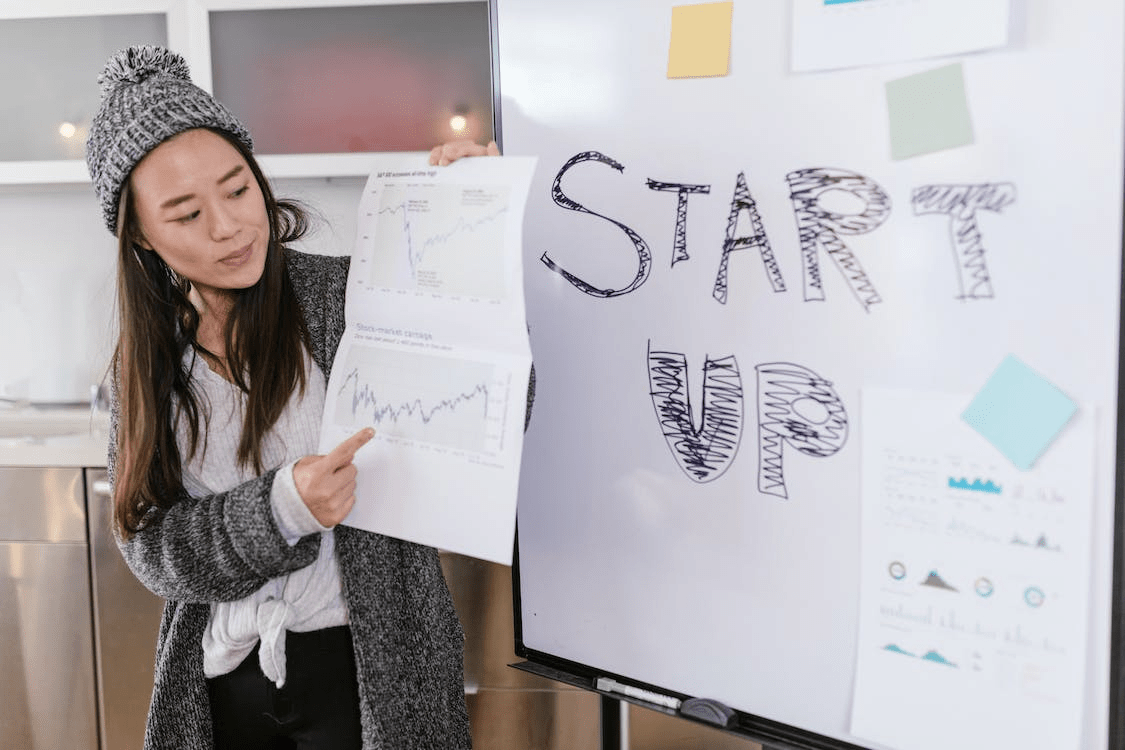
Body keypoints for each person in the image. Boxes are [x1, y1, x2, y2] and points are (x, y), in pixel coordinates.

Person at [85, 44, 503, 750]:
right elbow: (151, 549)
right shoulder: (149, 364)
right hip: (224, 683)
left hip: (370, 674)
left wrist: (480, 232)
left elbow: (499, 415)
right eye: (185, 215)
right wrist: (281, 508)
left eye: (238, 188)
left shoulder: (351, 297)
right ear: (144, 240)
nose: (228, 226)